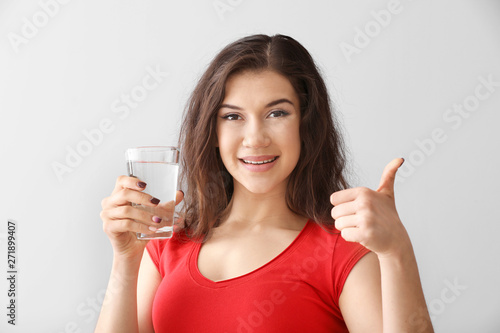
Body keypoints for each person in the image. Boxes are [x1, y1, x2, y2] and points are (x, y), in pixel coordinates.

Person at [96, 34, 433, 332]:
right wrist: (125, 260)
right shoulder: (167, 245)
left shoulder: (342, 254)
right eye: (232, 116)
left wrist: (397, 252)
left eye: (277, 113)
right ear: (212, 132)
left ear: (306, 123)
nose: (255, 138)